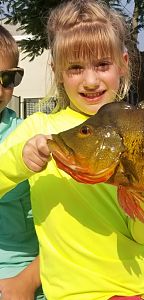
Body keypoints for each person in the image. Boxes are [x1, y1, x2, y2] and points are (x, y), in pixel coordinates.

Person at [0, 1, 144, 299]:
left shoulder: (141, 128)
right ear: (57, 72)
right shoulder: (39, 130)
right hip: (83, 291)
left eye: (102, 65)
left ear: (123, 63)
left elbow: (139, 232)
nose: (90, 81)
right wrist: (21, 159)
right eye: (75, 68)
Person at [0, 25, 44, 299]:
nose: (0, 88)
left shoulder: (29, 138)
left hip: (21, 277)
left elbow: (62, 229)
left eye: (7, 78)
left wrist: (27, 282)